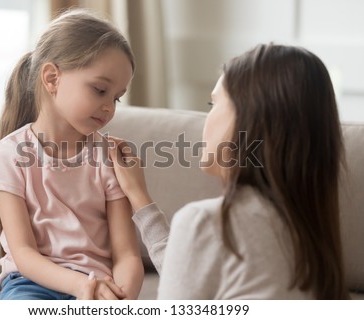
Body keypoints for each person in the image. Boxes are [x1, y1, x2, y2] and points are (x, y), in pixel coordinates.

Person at [101, 43, 350, 299]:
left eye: (214, 103)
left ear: (249, 118)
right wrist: (139, 197)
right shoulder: (310, 230)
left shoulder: (207, 222)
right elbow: (193, 275)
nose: (206, 120)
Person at [0, 9, 143, 300]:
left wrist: (123, 299)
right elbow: (24, 253)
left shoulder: (108, 157)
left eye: (116, 97)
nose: (109, 107)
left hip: (99, 284)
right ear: (52, 78)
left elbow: (127, 254)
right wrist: (79, 286)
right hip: (29, 283)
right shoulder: (8, 154)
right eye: (100, 90)